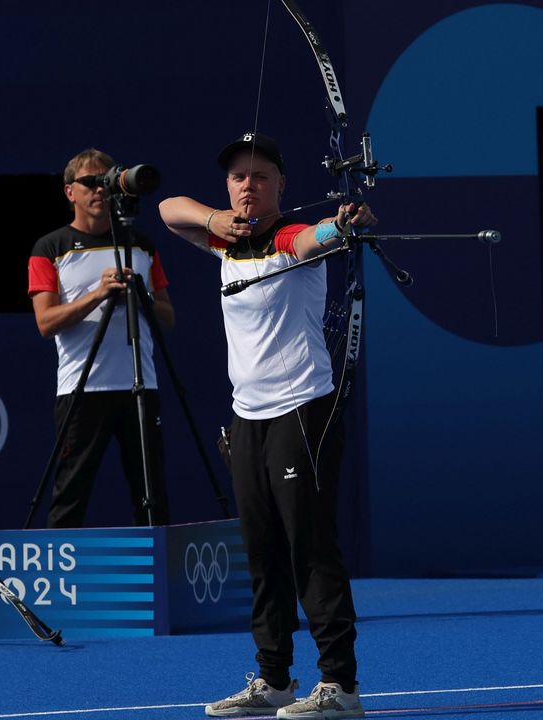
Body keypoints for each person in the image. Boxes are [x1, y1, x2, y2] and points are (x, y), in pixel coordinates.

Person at [159, 132, 375, 720]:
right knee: (260, 550)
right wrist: (219, 220)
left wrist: (343, 225)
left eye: (259, 176)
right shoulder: (228, 243)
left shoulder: (285, 239)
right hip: (246, 416)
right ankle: (275, 679)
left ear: (281, 185)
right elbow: (167, 208)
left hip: (302, 409)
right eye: (237, 176)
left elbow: (312, 239)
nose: (247, 185)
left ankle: (340, 686)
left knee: (308, 544)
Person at [27, 148, 174, 528]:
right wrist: (97, 294)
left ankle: (155, 582)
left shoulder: (140, 245)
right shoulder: (50, 248)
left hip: (141, 386)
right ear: (69, 192)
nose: (99, 191)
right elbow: (45, 323)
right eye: (90, 183)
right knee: (70, 495)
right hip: (82, 389)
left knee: (152, 496)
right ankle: (60, 583)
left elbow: (168, 317)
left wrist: (138, 293)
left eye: (106, 182)